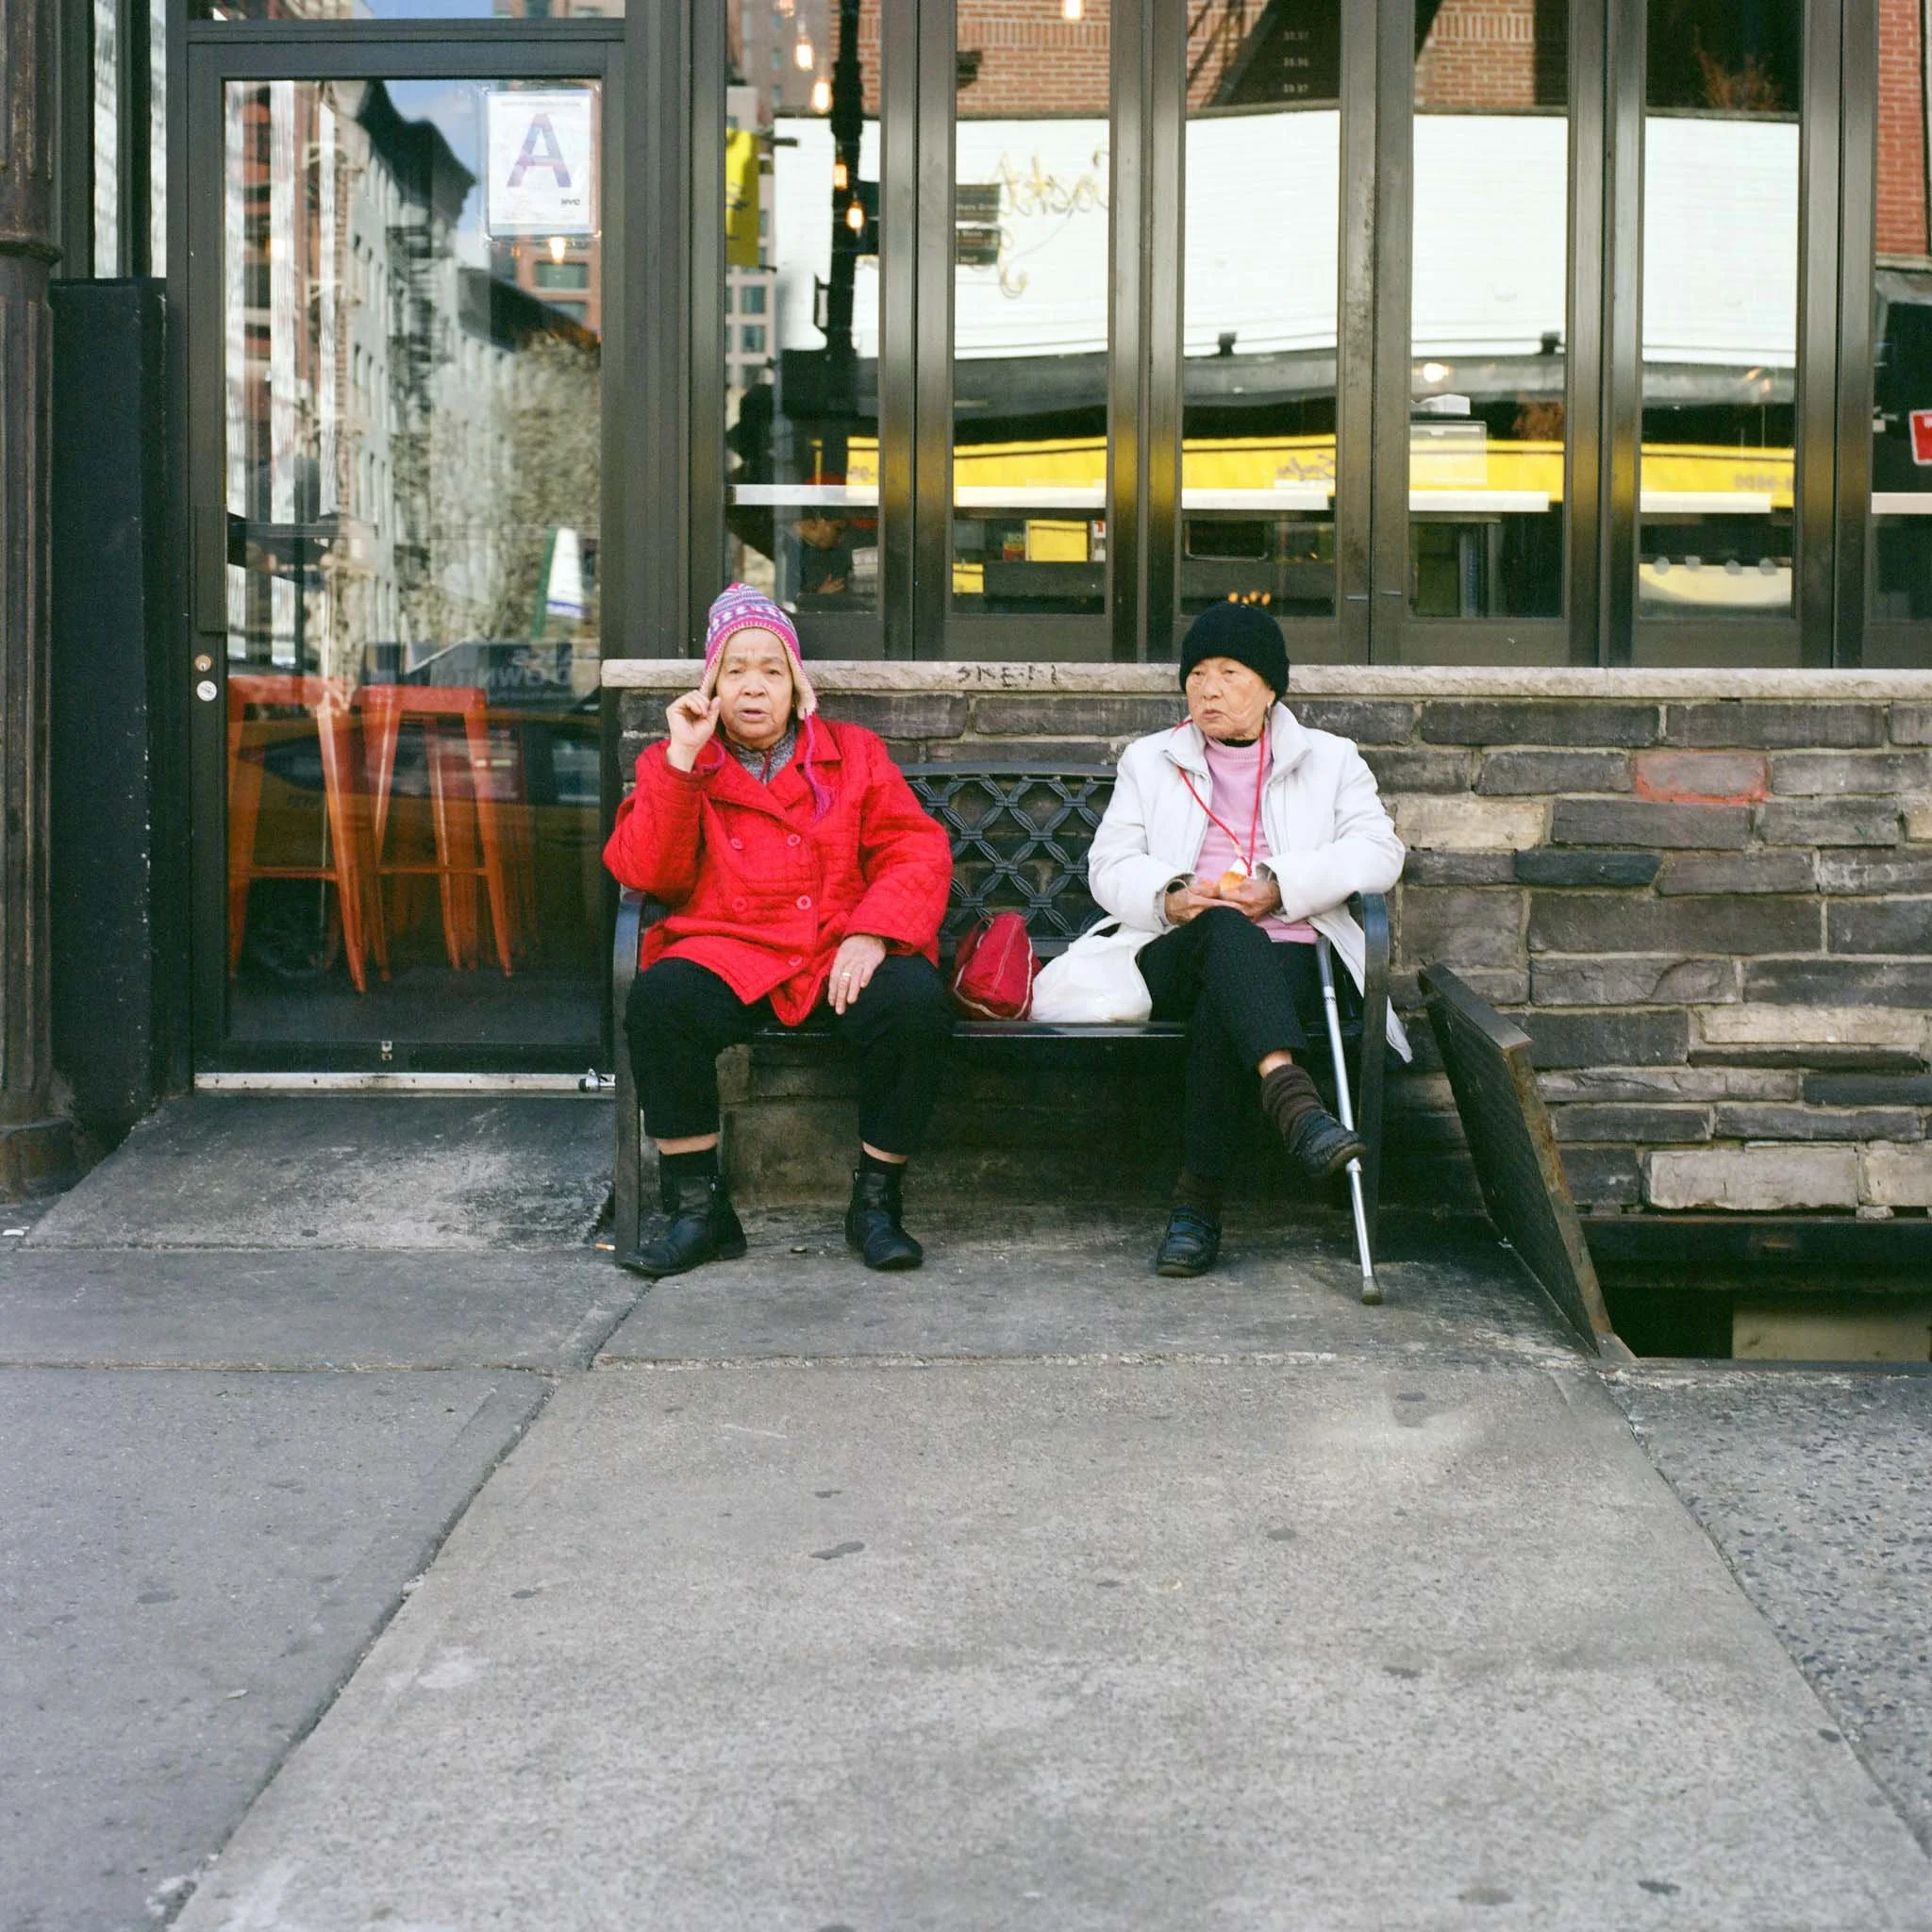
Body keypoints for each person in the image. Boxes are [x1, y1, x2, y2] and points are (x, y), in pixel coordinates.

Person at [606, 584, 953, 1278]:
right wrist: (681, 762)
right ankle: (700, 1211)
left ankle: (877, 1204)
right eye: (735, 671)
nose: (753, 687)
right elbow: (650, 873)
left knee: (914, 1002)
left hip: (833, 945)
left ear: (797, 685)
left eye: (771, 670)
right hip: (730, 948)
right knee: (661, 1001)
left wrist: (875, 932)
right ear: (711, 687)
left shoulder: (853, 753)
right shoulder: (672, 763)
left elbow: (915, 849)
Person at [1088, 601, 1411, 1278]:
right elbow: (1108, 866)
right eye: (1197, 673)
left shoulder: (1330, 759)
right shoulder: (1150, 761)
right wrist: (1172, 897)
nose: (1208, 689)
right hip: (1176, 949)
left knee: (1225, 1004)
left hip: (1294, 954)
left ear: (1270, 687)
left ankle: (1195, 1211)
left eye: (1229, 672)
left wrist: (1281, 885)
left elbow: (1380, 853)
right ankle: (1297, 1106)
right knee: (1225, 936)